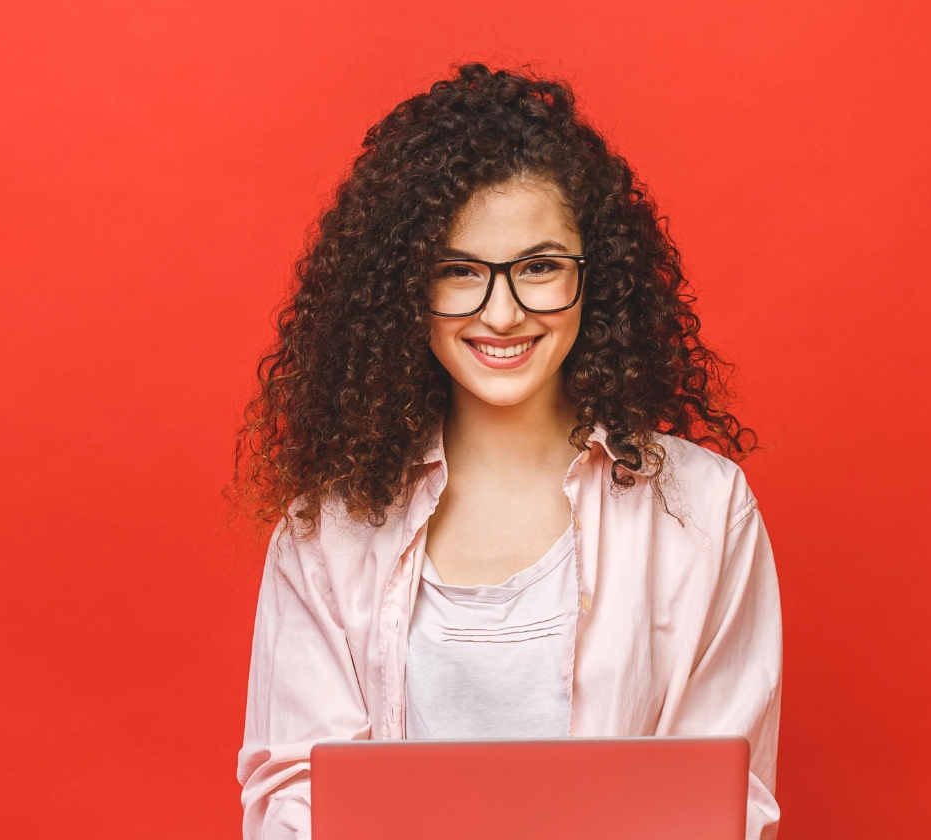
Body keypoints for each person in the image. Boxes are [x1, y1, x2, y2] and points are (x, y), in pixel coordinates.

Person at [232, 64, 783, 839]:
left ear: (599, 278)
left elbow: (728, 807)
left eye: (539, 267)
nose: (502, 312)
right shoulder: (324, 530)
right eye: (459, 271)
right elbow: (295, 799)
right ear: (402, 287)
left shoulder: (706, 510)